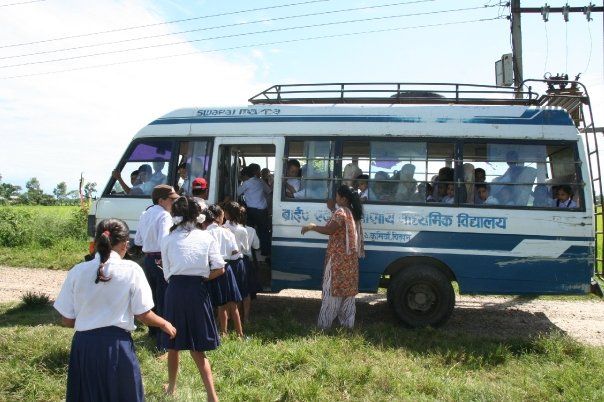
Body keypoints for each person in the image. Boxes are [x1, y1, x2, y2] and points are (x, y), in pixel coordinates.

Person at [54, 219, 177, 402]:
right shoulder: (132, 269)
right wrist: (165, 323)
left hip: (84, 347)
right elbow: (142, 314)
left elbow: (67, 319)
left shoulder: (77, 271)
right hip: (117, 345)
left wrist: (90, 319)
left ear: (95, 242)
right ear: (126, 245)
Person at [160, 197, 225, 400]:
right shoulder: (206, 237)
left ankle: (171, 387)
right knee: (198, 348)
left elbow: (167, 273)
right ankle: (211, 396)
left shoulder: (168, 239)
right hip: (198, 290)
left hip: (176, 290)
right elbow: (220, 268)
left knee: (173, 343)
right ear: (197, 215)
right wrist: (203, 277)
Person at [301, 185, 365, 329]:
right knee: (347, 294)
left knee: (331, 292)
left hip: (337, 260)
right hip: (349, 261)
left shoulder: (341, 212)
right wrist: (332, 208)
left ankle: (324, 326)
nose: (335, 198)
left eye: (337, 196)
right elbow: (340, 222)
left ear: (343, 198)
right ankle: (347, 326)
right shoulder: (351, 212)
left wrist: (312, 227)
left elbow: (330, 229)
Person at [133, 184, 179, 347]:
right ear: (161, 200)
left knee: (151, 296)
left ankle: (153, 332)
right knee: (164, 297)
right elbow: (164, 241)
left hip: (148, 259)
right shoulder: (165, 216)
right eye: (171, 200)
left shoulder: (145, 213)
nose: (173, 203)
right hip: (160, 259)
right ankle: (164, 338)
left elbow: (138, 240)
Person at [203, 205, 245, 338]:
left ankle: (223, 332)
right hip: (226, 268)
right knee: (232, 303)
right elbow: (234, 250)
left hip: (212, 269)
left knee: (219, 304)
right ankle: (239, 333)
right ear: (217, 217)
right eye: (222, 216)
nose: (223, 218)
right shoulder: (226, 232)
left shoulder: (205, 233)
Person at [237, 163, 271, 256]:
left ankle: (249, 250)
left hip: (251, 211)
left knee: (249, 230)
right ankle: (266, 252)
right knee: (264, 231)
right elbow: (269, 191)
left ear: (246, 176)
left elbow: (237, 193)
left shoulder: (246, 183)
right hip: (263, 210)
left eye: (242, 177)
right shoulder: (261, 181)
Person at [240, 205, 261, 322]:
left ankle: (233, 316)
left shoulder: (225, 228)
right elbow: (257, 246)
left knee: (235, 291)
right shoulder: (251, 230)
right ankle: (246, 318)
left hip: (231, 262)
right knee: (246, 291)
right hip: (246, 262)